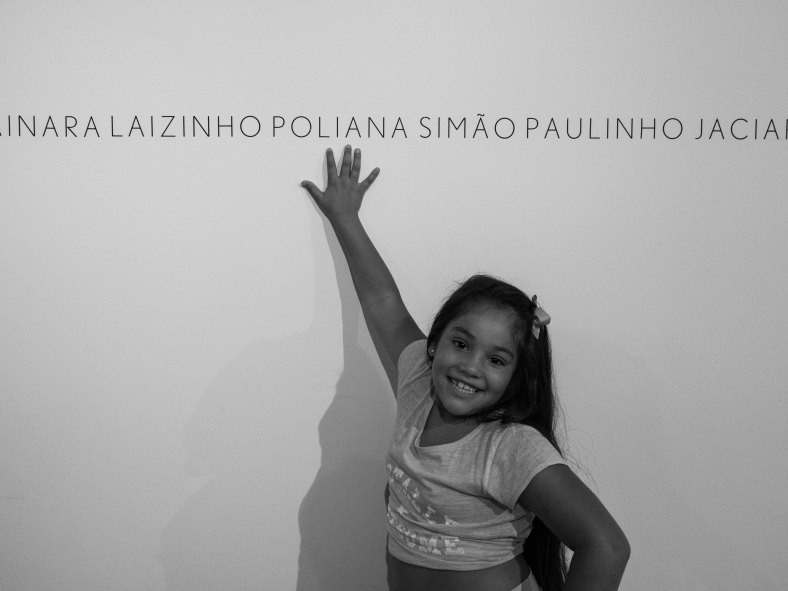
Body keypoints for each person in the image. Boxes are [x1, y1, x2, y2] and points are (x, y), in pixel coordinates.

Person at [300, 146, 630, 591]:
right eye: (460, 344)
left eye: (496, 359)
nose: (470, 366)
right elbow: (383, 304)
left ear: (517, 375)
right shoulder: (418, 381)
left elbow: (607, 546)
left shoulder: (510, 447)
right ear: (435, 343)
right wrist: (345, 218)